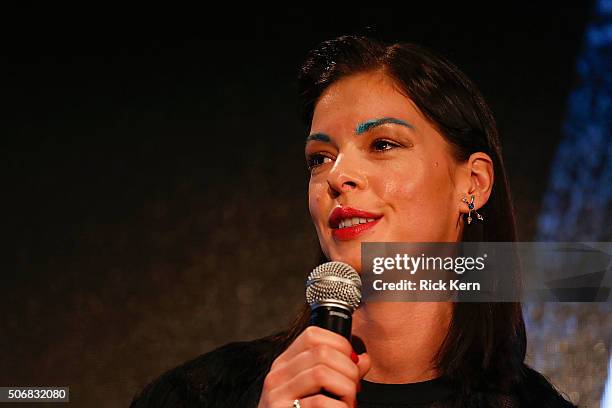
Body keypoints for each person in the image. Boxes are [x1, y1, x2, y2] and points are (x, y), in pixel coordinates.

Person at [130, 35, 575, 408]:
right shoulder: (195, 396)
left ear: (473, 183)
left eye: (382, 144)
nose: (337, 176)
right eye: (319, 158)